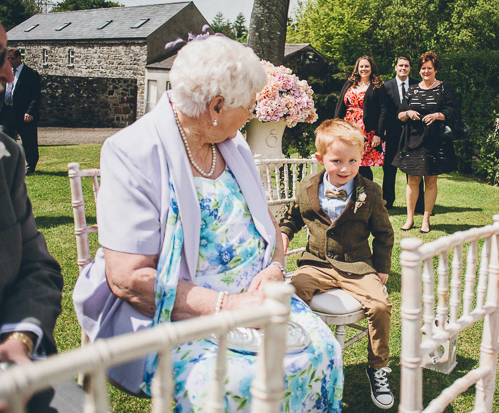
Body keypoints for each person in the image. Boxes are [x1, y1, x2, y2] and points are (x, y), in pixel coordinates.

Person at [72, 36, 343, 412]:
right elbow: (128, 278)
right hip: (183, 316)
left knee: (322, 349)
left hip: (258, 302)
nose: (252, 115)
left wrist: (276, 269)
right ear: (216, 106)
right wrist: (229, 306)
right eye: (248, 108)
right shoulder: (131, 152)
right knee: (242, 385)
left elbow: (268, 224)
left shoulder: (233, 144)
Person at [280, 119, 395, 410]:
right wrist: (283, 235)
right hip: (316, 263)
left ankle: (378, 367)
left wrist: (381, 269)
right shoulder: (307, 187)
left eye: (353, 161)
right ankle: (297, 356)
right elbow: (293, 217)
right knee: (292, 291)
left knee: (380, 306)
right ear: (321, 159)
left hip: (357, 265)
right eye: (337, 161)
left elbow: (383, 233)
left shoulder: (370, 192)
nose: (345, 168)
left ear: (361, 159)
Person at [0, 23, 84, 413]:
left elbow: (38, 269)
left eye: (6, 56)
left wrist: (19, 338)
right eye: (1, 58)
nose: (5, 72)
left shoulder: (6, 160)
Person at [393, 51, 461, 233]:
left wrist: (438, 115)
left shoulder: (444, 88)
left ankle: (426, 219)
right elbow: (399, 114)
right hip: (412, 141)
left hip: (435, 141)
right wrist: (408, 113)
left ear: (435, 69)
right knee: (412, 181)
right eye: (423, 68)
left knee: (431, 181)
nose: (426, 72)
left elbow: (454, 111)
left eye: (429, 68)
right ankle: (409, 219)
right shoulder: (412, 89)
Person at [334, 56, 387, 181]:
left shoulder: (377, 86)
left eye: (367, 66)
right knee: (347, 162)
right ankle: (349, 194)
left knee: (363, 165)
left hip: (367, 132)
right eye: (361, 66)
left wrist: (378, 134)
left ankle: (365, 196)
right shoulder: (349, 83)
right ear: (357, 68)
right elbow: (340, 105)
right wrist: (335, 127)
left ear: (372, 68)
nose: (364, 69)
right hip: (348, 130)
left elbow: (383, 111)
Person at [382, 56, 425, 211]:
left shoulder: (418, 85)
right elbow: (383, 112)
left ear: (410, 68)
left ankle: (419, 204)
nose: (403, 68)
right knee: (389, 168)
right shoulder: (386, 87)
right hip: (392, 133)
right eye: (400, 65)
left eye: (406, 66)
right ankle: (387, 200)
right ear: (395, 67)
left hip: (413, 133)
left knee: (415, 167)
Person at [0, 48, 41, 174]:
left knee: (28, 141)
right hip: (7, 111)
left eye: (11, 59)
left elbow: (36, 96)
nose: (9, 62)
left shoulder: (31, 74)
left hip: (23, 113)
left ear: (19, 58)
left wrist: (30, 112)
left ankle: (30, 166)